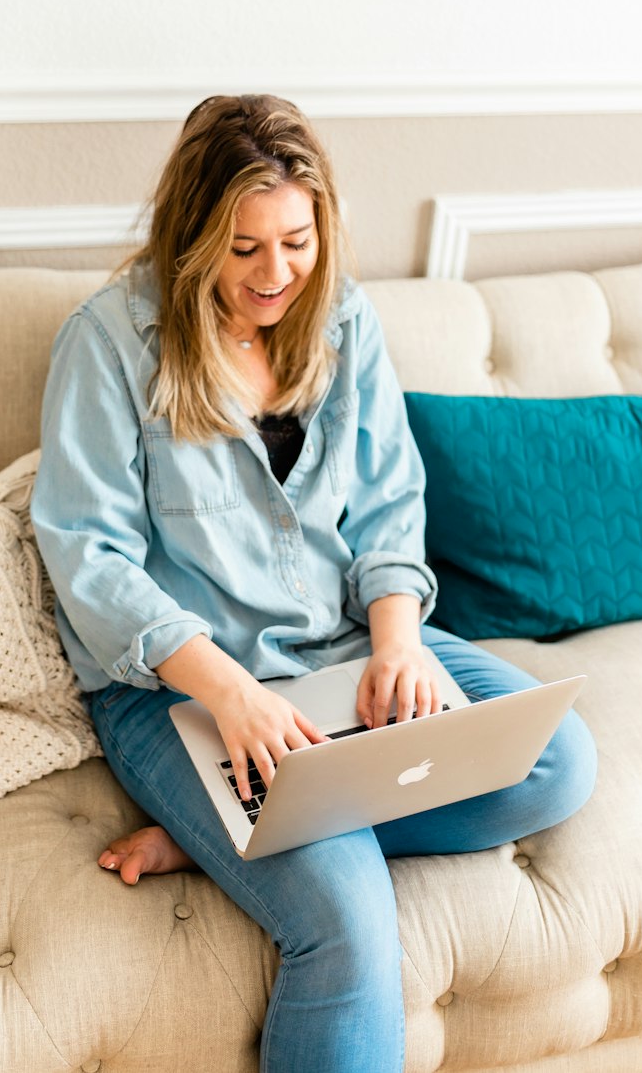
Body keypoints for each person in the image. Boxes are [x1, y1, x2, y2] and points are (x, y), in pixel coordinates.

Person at [31, 93, 597, 1073]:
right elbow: (88, 553)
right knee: (345, 928)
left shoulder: (340, 318)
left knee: (554, 761)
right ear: (194, 234)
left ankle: (229, 837)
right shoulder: (110, 341)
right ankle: (237, 826)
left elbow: (386, 503)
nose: (274, 274)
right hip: (185, 691)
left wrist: (396, 643)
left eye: (294, 241)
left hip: (338, 650)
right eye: (242, 248)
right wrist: (234, 697)